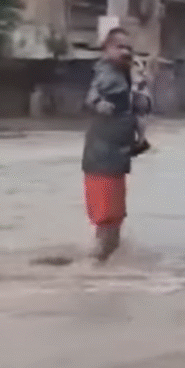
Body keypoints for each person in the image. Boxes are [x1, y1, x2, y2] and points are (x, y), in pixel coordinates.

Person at [81, 27, 152, 262]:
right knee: (106, 223)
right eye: (119, 47)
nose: (125, 51)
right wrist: (100, 105)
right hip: (102, 159)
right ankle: (90, 275)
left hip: (116, 158)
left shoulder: (126, 74)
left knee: (114, 221)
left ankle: (104, 278)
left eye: (128, 47)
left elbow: (139, 107)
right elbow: (92, 97)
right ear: (106, 50)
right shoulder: (106, 73)